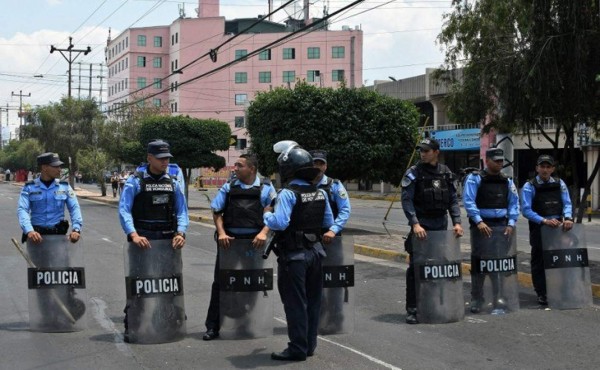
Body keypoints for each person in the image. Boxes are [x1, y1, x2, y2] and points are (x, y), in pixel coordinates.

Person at [265, 142, 334, 362]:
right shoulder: (320, 193)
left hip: (294, 256)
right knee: (313, 301)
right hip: (315, 253)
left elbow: (280, 223)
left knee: (295, 303)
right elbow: (329, 222)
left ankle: (297, 348)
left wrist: (266, 214)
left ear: (288, 169)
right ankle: (309, 345)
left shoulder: (287, 193)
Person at [118, 140, 189, 337]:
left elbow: (182, 211)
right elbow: (124, 210)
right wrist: (133, 235)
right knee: (140, 285)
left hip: (167, 240)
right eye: (161, 158)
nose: (165, 161)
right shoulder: (135, 181)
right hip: (143, 239)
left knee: (168, 283)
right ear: (149, 158)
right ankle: (133, 326)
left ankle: (169, 324)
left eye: (167, 158)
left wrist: (181, 232)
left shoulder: (173, 183)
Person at [202, 154, 276, 341]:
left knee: (252, 284)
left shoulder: (266, 187)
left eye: (239, 165)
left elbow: (272, 212)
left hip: (254, 243)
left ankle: (247, 323)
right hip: (230, 243)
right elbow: (217, 211)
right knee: (221, 283)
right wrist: (221, 233)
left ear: (252, 169)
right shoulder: (229, 187)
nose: (234, 168)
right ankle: (213, 327)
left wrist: (264, 232)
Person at [401, 138, 463, 324]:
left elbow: (452, 199)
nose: (423, 153)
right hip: (422, 227)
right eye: (421, 150)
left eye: (427, 150)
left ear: (436, 152)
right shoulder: (414, 173)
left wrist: (457, 222)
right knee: (416, 269)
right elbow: (407, 200)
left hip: (441, 228)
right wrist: (415, 224)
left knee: (439, 268)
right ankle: (413, 308)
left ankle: (437, 304)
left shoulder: (445, 172)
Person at [463, 147, 520, 313]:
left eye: (501, 160)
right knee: (480, 264)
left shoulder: (507, 180)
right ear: (487, 161)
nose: (499, 163)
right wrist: (479, 221)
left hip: (501, 226)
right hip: (482, 226)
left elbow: (513, 203)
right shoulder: (475, 178)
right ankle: (477, 298)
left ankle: (499, 298)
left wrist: (510, 223)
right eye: (496, 160)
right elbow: (469, 201)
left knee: (499, 265)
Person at [520, 154, 573, 305]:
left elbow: (567, 203)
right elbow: (526, 210)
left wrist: (568, 218)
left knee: (559, 259)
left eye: (548, 167)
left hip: (558, 227)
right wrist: (544, 220)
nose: (545, 169)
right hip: (540, 227)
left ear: (553, 169)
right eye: (542, 166)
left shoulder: (559, 183)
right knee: (539, 262)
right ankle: (542, 293)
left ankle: (561, 290)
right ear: (537, 168)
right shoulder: (529, 186)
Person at [17, 153, 82, 244]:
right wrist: (29, 230)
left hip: (58, 237)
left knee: (60, 259)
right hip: (36, 237)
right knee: (35, 259)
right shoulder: (29, 187)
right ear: (44, 167)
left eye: (59, 166)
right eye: (55, 166)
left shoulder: (64, 187)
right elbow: (22, 209)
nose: (59, 169)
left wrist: (76, 229)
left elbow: (74, 207)